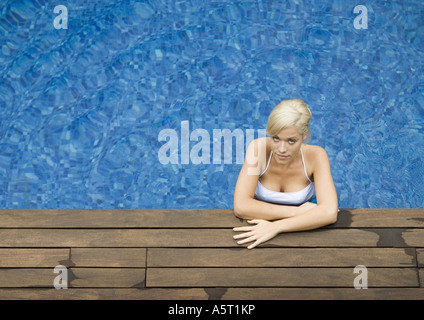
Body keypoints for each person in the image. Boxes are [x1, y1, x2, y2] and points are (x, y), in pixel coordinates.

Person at [233, 99, 338, 249]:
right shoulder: (258, 149)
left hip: (303, 235)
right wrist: (298, 212)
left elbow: (329, 212)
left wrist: (275, 227)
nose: (281, 149)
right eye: (276, 138)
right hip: (264, 228)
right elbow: (241, 206)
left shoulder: (316, 156)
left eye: (291, 141)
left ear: (304, 136)